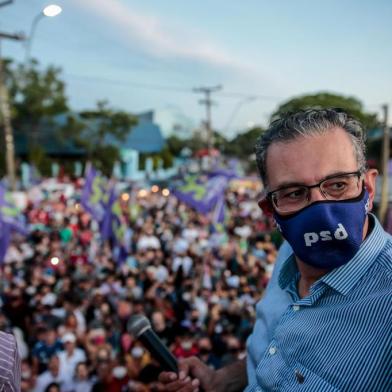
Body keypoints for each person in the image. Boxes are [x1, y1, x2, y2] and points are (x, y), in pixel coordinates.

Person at [159, 108, 392, 391]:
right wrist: (221, 380)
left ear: (368, 186)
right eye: (294, 193)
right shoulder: (287, 254)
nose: (319, 207)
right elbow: (275, 354)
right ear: (270, 210)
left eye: (338, 185)